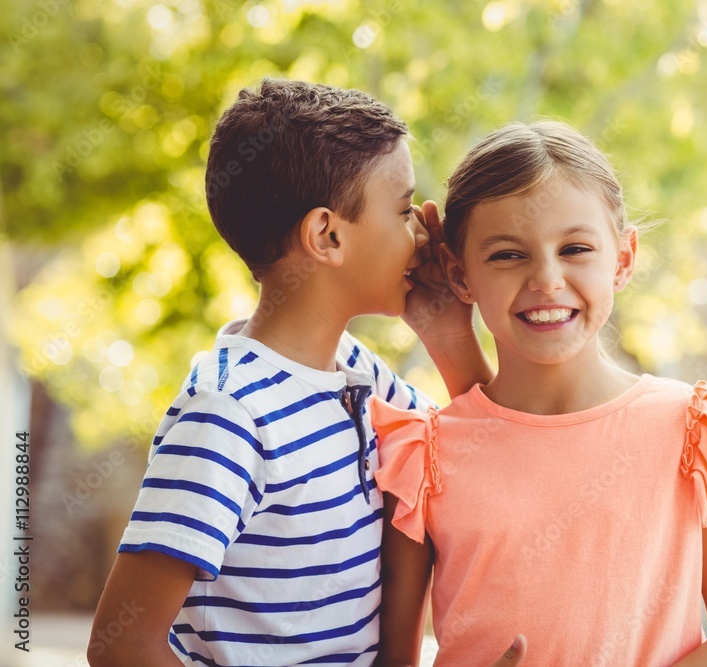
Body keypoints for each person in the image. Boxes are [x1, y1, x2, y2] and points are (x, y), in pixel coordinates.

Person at [89, 79, 524, 667]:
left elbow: (484, 450)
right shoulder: (228, 412)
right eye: (402, 210)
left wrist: (449, 333)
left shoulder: (357, 373)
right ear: (327, 235)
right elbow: (122, 646)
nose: (423, 234)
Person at [372, 121, 707, 666]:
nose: (546, 279)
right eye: (507, 255)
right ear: (458, 273)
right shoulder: (425, 455)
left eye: (576, 248)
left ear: (624, 260)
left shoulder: (691, 427)